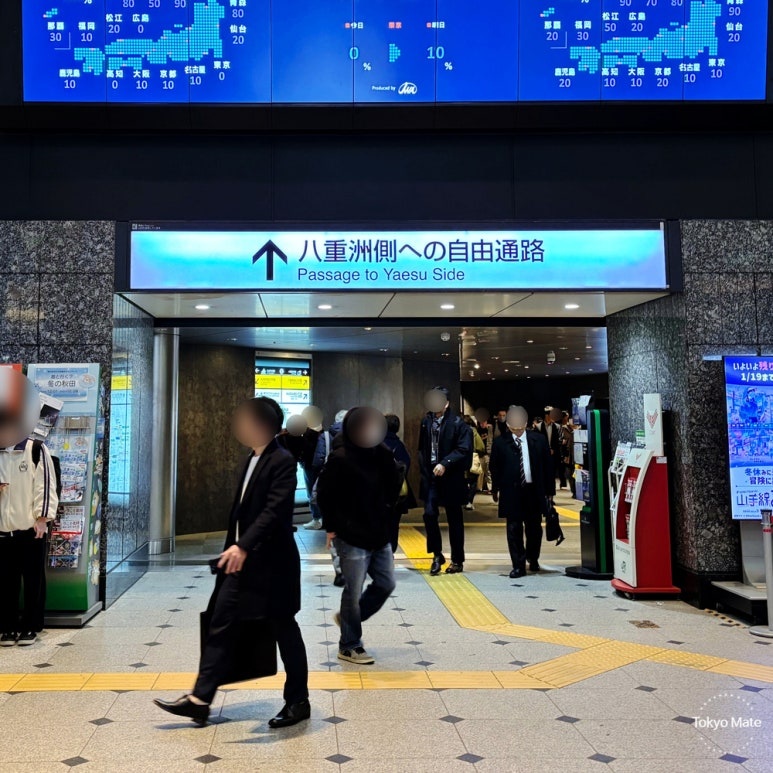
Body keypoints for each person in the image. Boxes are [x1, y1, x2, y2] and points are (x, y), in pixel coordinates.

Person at [155, 397, 310, 729]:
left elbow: (273, 513)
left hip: (272, 566)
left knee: (284, 629)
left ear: (262, 425)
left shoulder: (282, 461)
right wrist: (233, 550)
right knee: (220, 622)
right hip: (240, 565)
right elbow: (242, 516)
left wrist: (243, 546)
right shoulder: (252, 459)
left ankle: (298, 700)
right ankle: (200, 700)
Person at [317, 407, 402, 666]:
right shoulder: (340, 457)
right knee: (353, 591)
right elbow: (325, 495)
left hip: (378, 532)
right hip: (350, 534)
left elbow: (394, 484)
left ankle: (349, 620)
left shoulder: (382, 454)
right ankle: (350, 644)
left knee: (386, 583)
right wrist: (332, 527)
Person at [0, 436, 59, 646]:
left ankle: (31, 626)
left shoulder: (35, 448)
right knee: (6, 580)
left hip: (30, 528)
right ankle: (7, 627)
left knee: (33, 579)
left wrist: (42, 518)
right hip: (3, 530)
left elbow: (45, 486)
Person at [490, 405, 555, 578]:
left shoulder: (538, 440)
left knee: (534, 529)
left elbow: (548, 466)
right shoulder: (500, 443)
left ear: (526, 422)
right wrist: (495, 489)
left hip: (533, 491)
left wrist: (550, 492)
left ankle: (533, 557)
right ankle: (518, 565)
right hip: (511, 492)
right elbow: (494, 467)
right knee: (513, 529)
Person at [418, 387, 473, 575]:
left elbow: (463, 450)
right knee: (429, 514)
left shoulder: (458, 424)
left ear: (447, 403)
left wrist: (445, 463)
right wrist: (425, 468)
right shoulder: (426, 421)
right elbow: (421, 448)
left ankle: (457, 560)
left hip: (451, 478)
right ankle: (436, 555)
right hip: (431, 476)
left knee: (454, 519)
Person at [312, 409, 348, 586]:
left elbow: (318, 460)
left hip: (333, 493)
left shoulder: (326, 435)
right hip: (353, 497)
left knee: (334, 533)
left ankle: (340, 571)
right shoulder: (358, 437)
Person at [382, 414, 414, 552]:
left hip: (379, 493)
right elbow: (406, 464)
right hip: (397, 493)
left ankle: (380, 553)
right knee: (394, 524)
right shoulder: (399, 446)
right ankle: (391, 551)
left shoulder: (376, 443)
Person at [463, 416, 485, 511]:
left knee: (462, 481)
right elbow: (481, 447)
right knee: (473, 481)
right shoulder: (473, 431)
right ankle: (469, 502)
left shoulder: (457, 430)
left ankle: (462, 500)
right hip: (472, 459)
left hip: (459, 459)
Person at [539, 407, 562, 487]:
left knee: (552, 475)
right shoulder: (538, 427)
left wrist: (553, 450)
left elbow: (560, 440)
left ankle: (551, 496)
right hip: (542, 455)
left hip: (553, 455)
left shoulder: (557, 427)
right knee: (543, 474)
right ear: (546, 415)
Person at [560, 411, 576, 495]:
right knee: (570, 473)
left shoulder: (577, 429)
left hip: (577, 455)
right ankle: (574, 491)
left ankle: (576, 491)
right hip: (568, 455)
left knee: (576, 473)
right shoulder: (562, 428)